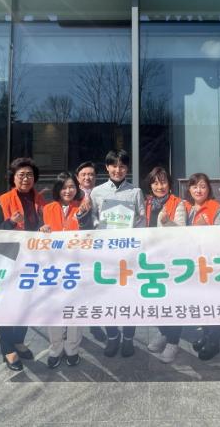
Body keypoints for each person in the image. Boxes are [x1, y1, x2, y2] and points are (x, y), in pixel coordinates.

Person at [0, 157, 46, 371]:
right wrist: (11, 222)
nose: (26, 179)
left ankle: (19, 340)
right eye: (21, 175)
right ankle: (7, 348)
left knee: (27, 303)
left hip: (34, 261)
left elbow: (47, 225)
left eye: (29, 175)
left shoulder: (41, 200)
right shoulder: (3, 200)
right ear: (13, 178)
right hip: (10, 260)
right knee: (7, 305)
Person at [90, 149, 145, 357]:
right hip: (105, 254)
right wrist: (102, 227)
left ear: (127, 168)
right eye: (114, 165)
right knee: (107, 295)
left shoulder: (135, 192)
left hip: (128, 254)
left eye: (122, 166)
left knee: (130, 296)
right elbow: (92, 218)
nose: (118, 170)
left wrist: (130, 233)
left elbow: (142, 221)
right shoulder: (97, 192)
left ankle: (128, 338)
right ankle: (112, 336)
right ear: (107, 167)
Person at [40, 172, 91, 368]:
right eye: (64, 187)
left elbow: (90, 234)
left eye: (71, 187)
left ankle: (72, 348)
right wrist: (42, 231)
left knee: (74, 309)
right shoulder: (48, 208)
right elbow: (39, 237)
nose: (68, 191)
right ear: (58, 189)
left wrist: (83, 217)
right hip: (53, 267)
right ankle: (55, 348)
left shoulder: (82, 208)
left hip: (76, 266)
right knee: (54, 309)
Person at [142, 166, 187, 363]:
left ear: (169, 184)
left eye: (163, 182)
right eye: (155, 183)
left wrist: (168, 222)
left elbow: (182, 231)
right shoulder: (147, 203)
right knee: (154, 300)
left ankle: (173, 342)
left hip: (171, 259)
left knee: (172, 302)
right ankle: (164, 333)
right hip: (151, 260)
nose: (159, 186)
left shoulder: (178, 203)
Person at [184, 172, 220, 361]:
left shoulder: (216, 208)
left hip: (210, 264)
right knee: (201, 302)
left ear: (208, 189)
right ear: (189, 189)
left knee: (213, 302)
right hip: (192, 264)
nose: (198, 190)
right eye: (194, 186)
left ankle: (214, 341)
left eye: (202, 186)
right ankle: (206, 335)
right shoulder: (186, 208)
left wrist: (206, 229)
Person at [75, 161, 107, 344]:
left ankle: (95, 324)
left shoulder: (101, 194)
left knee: (96, 287)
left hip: (99, 248)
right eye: (84, 174)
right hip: (77, 249)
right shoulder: (70, 193)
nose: (88, 177)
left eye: (91, 175)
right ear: (78, 177)